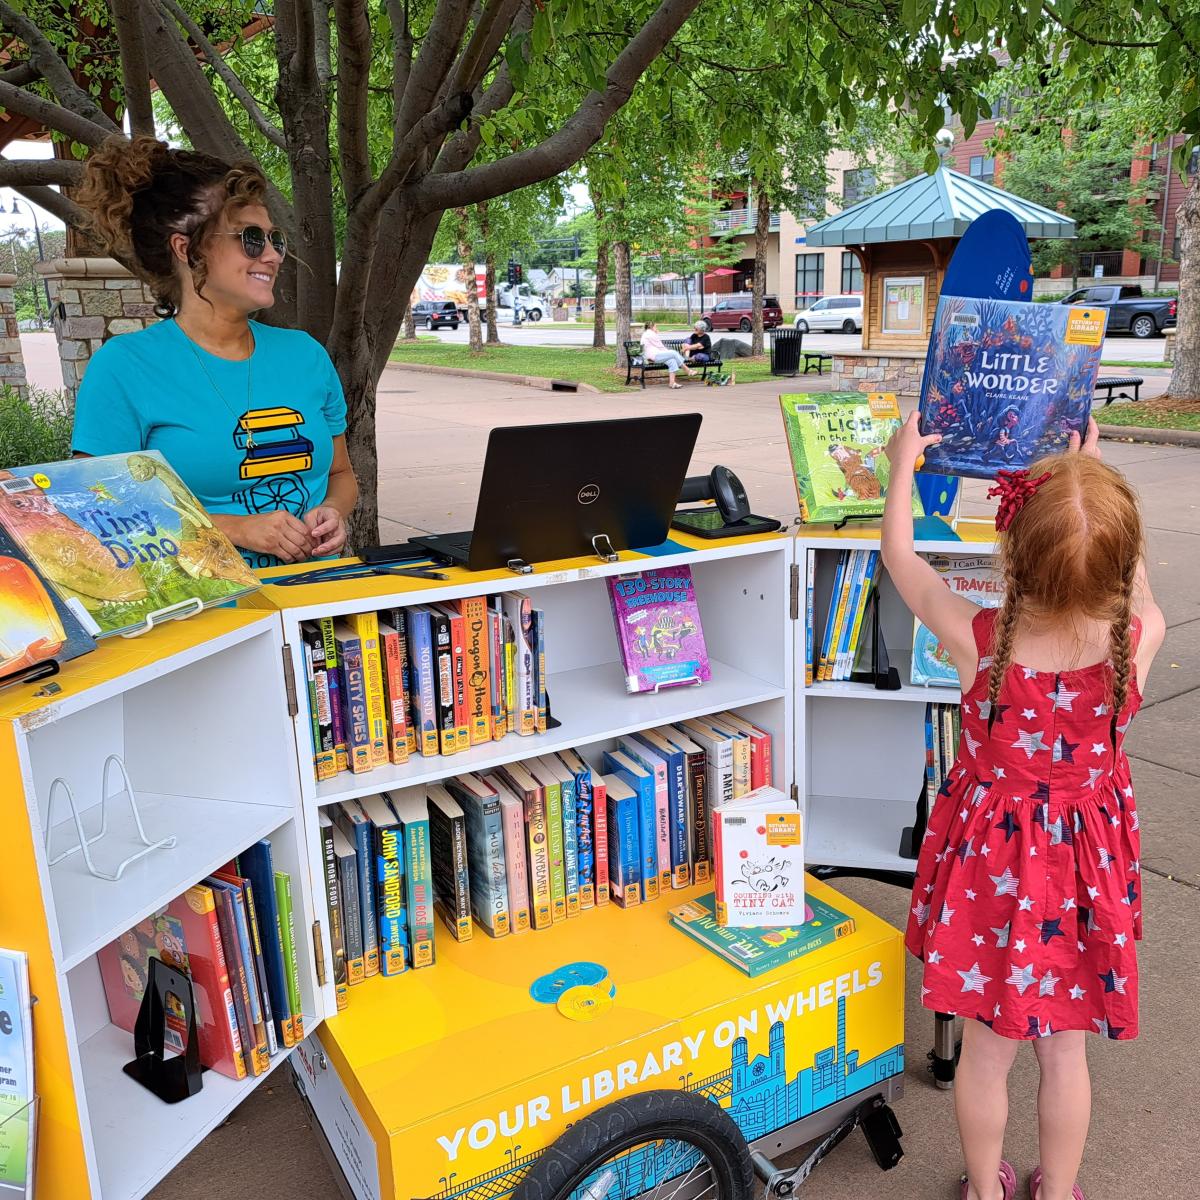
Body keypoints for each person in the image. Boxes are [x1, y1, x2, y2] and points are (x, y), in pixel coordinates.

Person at [882, 413, 1164, 1200]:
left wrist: (905, 465)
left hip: (990, 878)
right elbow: (1139, 592)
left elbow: (901, 560)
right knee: (1066, 1053)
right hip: (1083, 877)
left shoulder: (980, 639)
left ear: (1014, 556)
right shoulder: (1135, 639)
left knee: (986, 1050)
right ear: (1120, 562)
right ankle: (1060, 1190)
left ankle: (983, 1187)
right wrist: (1101, 492)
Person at [69, 135, 358, 570]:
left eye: (274, 239)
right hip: (208, 619)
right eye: (250, 238)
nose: (274, 256)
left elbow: (340, 475)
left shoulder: (305, 356)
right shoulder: (126, 367)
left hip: (318, 605)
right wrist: (235, 528)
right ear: (186, 248)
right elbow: (98, 509)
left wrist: (334, 512)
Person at [639, 321, 693, 388]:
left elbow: (658, 347)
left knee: (672, 360)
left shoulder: (647, 333)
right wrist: (669, 352)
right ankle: (687, 370)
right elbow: (660, 346)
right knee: (673, 353)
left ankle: (672, 383)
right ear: (651, 327)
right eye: (656, 326)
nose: (657, 328)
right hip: (653, 356)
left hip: (654, 355)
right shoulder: (650, 334)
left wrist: (668, 353)